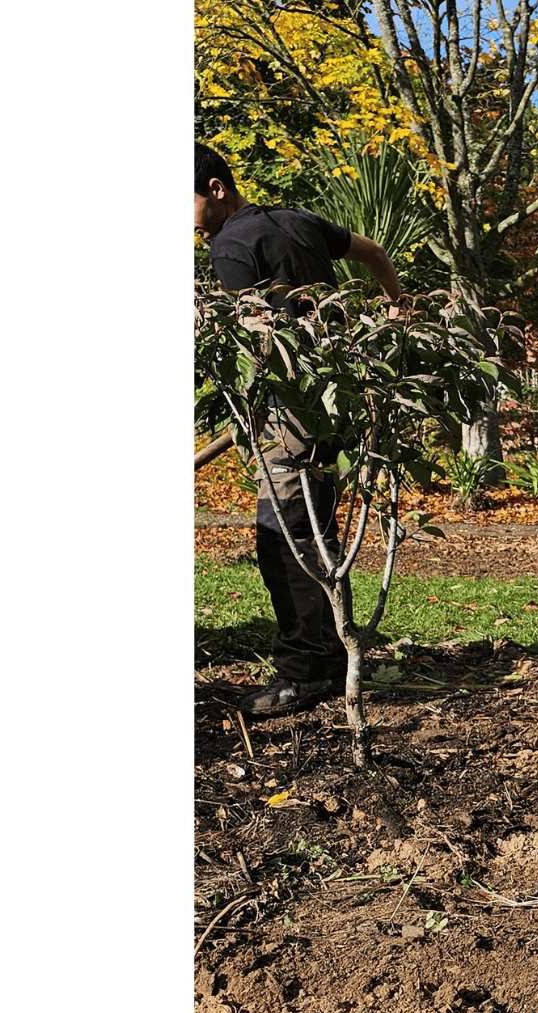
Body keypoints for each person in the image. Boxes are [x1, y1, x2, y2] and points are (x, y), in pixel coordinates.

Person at [194, 142, 405, 717]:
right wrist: (394, 313)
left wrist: (248, 410)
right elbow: (377, 254)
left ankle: (303, 672)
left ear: (216, 188)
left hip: (288, 411)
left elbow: (253, 343)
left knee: (283, 536)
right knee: (317, 529)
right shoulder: (297, 220)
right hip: (334, 399)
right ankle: (336, 656)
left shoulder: (231, 247)